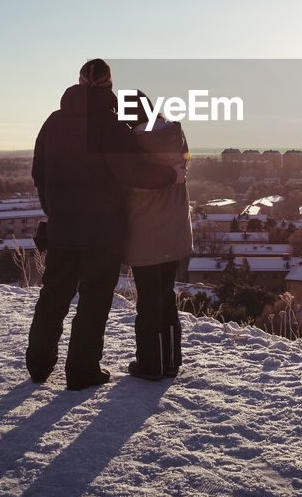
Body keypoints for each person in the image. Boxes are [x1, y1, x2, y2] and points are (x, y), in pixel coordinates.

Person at [25, 59, 183, 390]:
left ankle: (39, 365)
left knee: (54, 295)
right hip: (101, 233)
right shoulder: (109, 127)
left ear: (79, 83)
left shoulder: (52, 123)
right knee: (94, 301)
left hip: (63, 228)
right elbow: (133, 173)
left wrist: (54, 210)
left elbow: (39, 173)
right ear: (109, 86)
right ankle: (81, 371)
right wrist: (171, 174)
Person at [121, 95, 193, 380]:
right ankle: (171, 361)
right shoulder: (177, 139)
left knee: (148, 303)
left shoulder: (130, 148)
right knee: (166, 298)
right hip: (175, 234)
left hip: (145, 235)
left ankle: (151, 365)